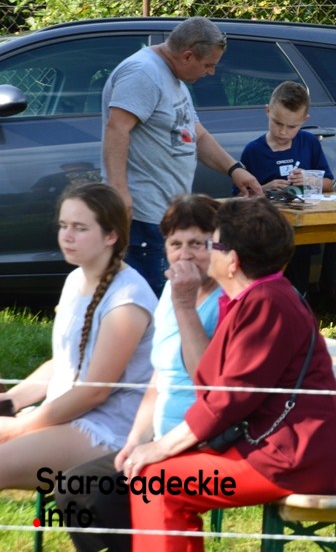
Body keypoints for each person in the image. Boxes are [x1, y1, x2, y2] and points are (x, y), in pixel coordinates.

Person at [121, 196, 336, 552]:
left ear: (233, 261)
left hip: (287, 460)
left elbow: (227, 400)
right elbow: (211, 383)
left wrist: (161, 446)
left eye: (212, 244)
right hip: (264, 450)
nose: (201, 252)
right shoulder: (253, 299)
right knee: (154, 476)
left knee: (157, 481)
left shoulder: (267, 303)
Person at [55, 194, 223, 552]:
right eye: (175, 244)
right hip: (157, 437)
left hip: (204, 442)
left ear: (219, 245)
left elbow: (206, 379)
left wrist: (184, 304)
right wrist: (135, 441)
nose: (184, 255)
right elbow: (158, 379)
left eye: (197, 244)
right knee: (73, 487)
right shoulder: (172, 294)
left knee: (110, 495)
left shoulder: (223, 300)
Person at [0, 182, 156, 489]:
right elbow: (63, 364)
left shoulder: (127, 299)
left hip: (109, 430)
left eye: (80, 228)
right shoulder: (75, 279)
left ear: (111, 236)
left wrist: (19, 428)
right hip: (67, 414)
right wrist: (9, 401)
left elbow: (94, 392)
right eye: (63, 225)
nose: (67, 236)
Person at [102, 16, 262, 296]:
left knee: (171, 299)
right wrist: (119, 193)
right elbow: (116, 129)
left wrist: (235, 169)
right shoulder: (143, 73)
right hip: (143, 214)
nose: (211, 72)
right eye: (208, 65)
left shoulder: (173, 78)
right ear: (187, 55)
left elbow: (197, 135)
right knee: (149, 301)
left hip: (168, 214)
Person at [239, 80, 335, 295]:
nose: (283, 132)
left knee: (298, 291)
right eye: (277, 123)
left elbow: (329, 185)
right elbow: (238, 197)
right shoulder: (253, 151)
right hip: (266, 237)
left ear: (304, 120)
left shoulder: (309, 143)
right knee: (267, 292)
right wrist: (264, 189)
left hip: (302, 234)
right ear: (267, 111)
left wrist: (309, 179)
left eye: (292, 127)